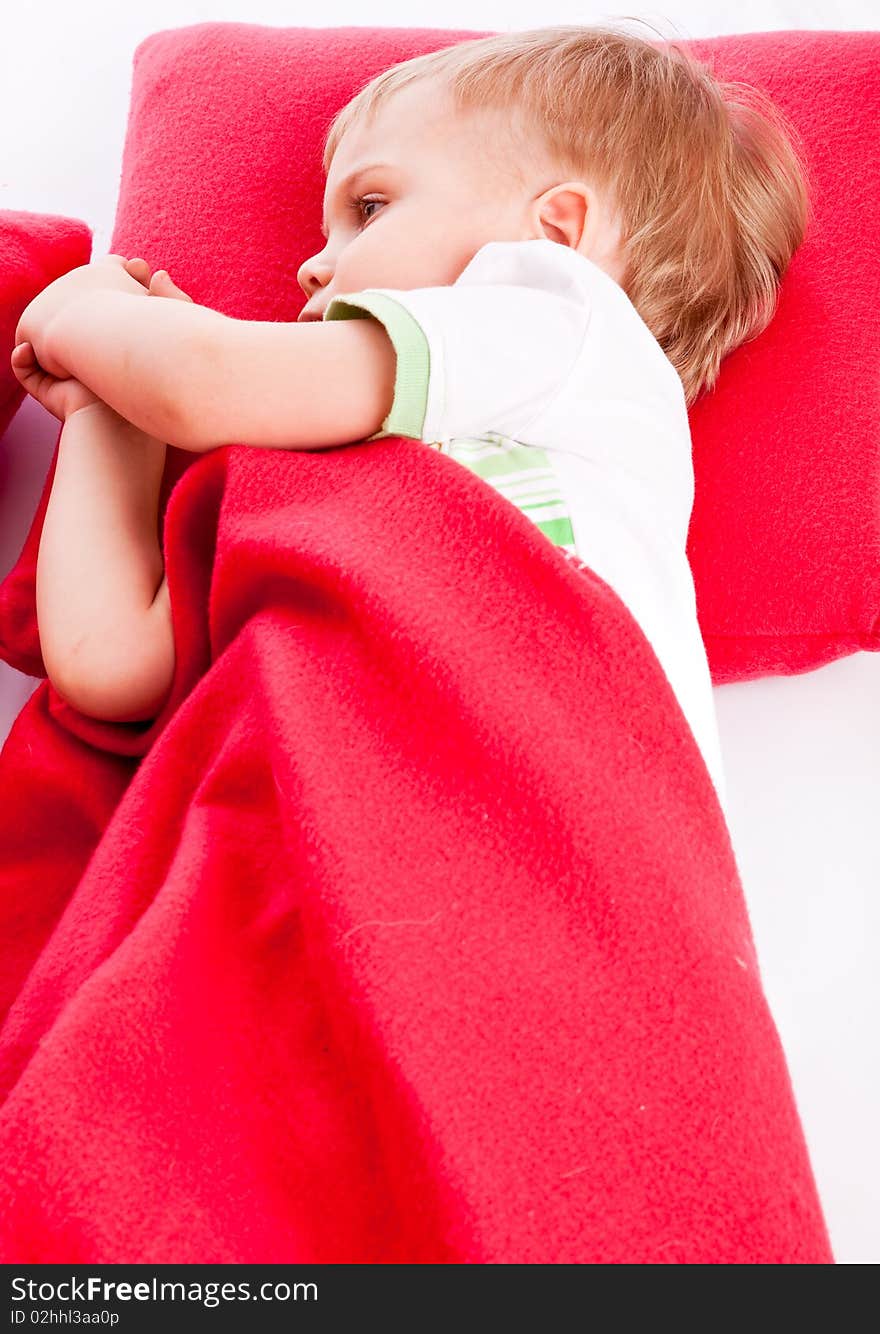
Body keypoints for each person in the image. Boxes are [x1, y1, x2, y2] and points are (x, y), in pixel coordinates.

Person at [10, 23, 809, 807]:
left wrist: (90, 317)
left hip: (538, 809)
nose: (312, 263)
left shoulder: (564, 327)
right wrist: (108, 415)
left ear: (557, 234)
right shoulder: (312, 463)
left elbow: (203, 379)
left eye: (370, 205)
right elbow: (111, 664)